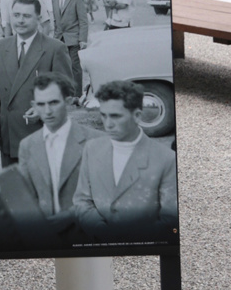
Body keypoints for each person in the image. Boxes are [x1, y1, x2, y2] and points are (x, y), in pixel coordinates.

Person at [73, 80, 178, 239]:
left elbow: (170, 220)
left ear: (137, 116)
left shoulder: (166, 159)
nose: (108, 124)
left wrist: (127, 239)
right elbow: (82, 201)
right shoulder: (92, 148)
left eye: (115, 116)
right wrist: (99, 229)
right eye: (103, 115)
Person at [0, 0, 73, 168]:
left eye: (26, 16)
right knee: (15, 189)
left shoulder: (54, 48)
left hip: (43, 133)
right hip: (9, 135)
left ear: (39, 19)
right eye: (16, 15)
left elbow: (67, 91)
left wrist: (43, 109)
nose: (20, 20)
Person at [17, 73, 101, 224]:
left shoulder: (96, 141)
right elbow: (28, 196)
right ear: (34, 105)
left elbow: (105, 195)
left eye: (54, 103)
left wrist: (70, 217)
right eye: (41, 104)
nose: (47, 111)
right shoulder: (27, 145)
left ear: (68, 102)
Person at [51, 0, 89, 97]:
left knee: (75, 67)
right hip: (59, 38)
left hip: (73, 38)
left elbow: (83, 20)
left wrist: (83, 39)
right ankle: (65, 93)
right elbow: (56, 20)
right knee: (60, 67)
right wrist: (55, 37)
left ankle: (77, 95)